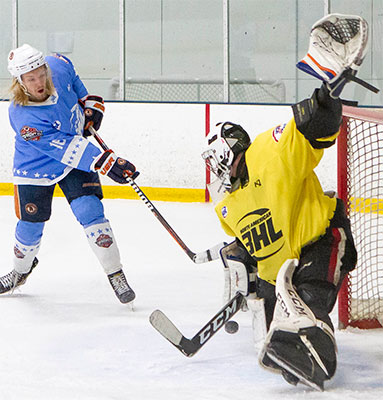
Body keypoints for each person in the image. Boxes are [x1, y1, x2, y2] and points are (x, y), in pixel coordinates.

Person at [200, 13, 378, 390]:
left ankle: (319, 357)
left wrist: (326, 95)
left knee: (310, 301)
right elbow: (250, 246)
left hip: (321, 240)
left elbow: (310, 130)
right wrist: (240, 266)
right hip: (277, 274)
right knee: (272, 331)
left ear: (220, 155)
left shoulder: (269, 151)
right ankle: (298, 358)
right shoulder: (227, 208)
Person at [0, 43, 138, 305]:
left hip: (75, 159)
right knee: (30, 227)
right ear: (20, 82)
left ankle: (115, 273)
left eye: (42, 73)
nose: (41, 81)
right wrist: (107, 163)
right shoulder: (22, 116)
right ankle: (20, 272)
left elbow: (73, 81)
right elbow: (64, 148)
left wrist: (89, 105)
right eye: (32, 78)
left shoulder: (58, 66)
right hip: (35, 168)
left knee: (90, 211)